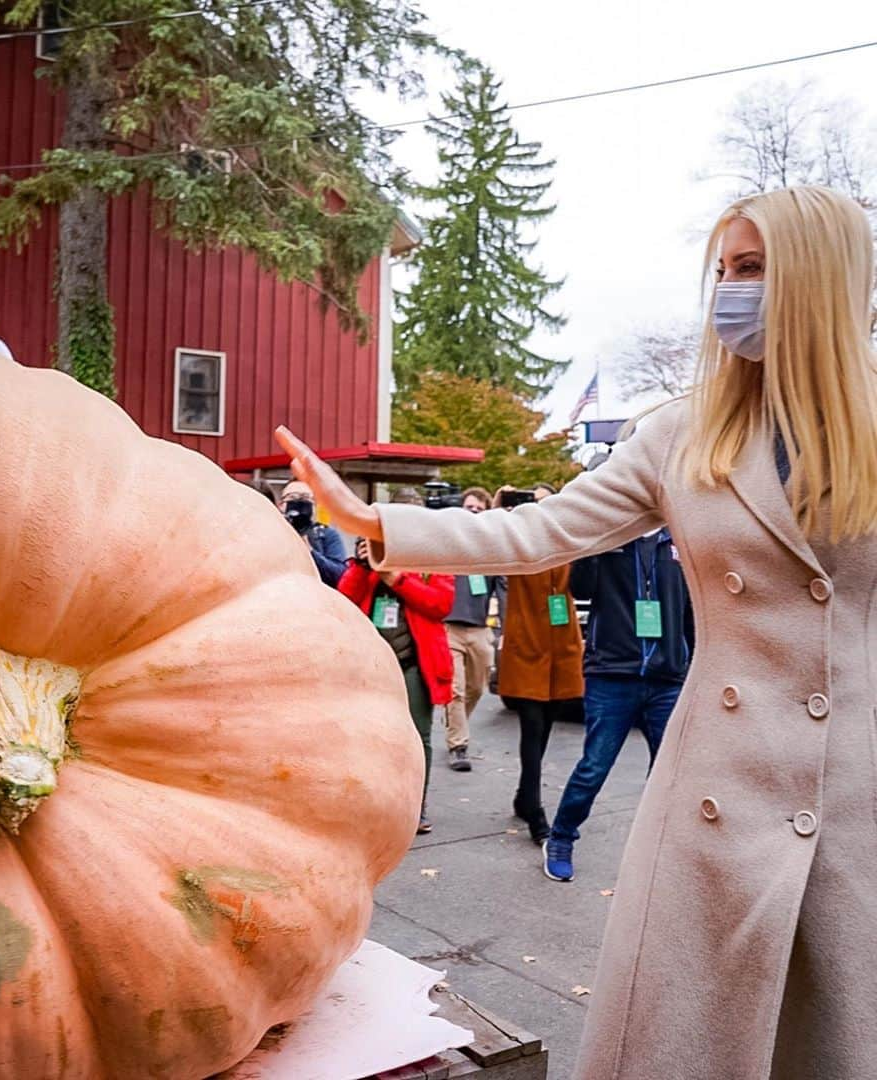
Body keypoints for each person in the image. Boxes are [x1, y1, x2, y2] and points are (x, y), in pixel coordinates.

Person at [276, 186, 877, 1080]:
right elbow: (537, 532)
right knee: (697, 1039)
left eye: (751, 270)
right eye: (722, 271)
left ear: (822, 279)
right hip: (720, 791)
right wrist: (370, 520)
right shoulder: (683, 433)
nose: (728, 294)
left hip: (856, 794)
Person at [543, 526, 693, 882]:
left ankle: (661, 849)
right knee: (595, 765)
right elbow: (580, 588)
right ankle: (561, 838)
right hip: (612, 672)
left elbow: (691, 606)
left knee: (669, 772)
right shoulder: (611, 535)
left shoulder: (679, 537)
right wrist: (596, 538)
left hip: (667, 676)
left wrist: (689, 659)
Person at [338, 539, 454, 835]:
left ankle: (416, 804)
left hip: (414, 664)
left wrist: (396, 578)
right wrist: (363, 566)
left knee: (417, 736)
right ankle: (375, 803)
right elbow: (342, 602)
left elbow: (440, 604)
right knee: (368, 738)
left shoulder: (428, 562)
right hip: (371, 667)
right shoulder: (367, 566)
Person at [494, 483, 584, 843]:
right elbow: (490, 541)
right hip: (527, 644)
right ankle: (534, 807)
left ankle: (522, 794)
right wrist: (501, 507)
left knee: (547, 723)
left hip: (561, 646)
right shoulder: (518, 544)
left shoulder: (569, 542)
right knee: (532, 724)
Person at [441, 486, 506, 772]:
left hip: (480, 629)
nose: (474, 513)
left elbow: (503, 590)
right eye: (470, 508)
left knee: (477, 688)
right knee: (455, 689)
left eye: (480, 510)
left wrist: (505, 629)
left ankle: (455, 723)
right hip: (448, 628)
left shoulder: (491, 552)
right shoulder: (447, 544)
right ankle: (458, 744)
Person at [278, 480, 347, 587]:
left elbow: (339, 576)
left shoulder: (327, 534)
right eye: (292, 497)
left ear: (314, 506)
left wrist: (310, 551)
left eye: (305, 498)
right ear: (281, 505)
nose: (299, 503)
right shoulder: (273, 530)